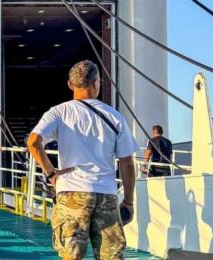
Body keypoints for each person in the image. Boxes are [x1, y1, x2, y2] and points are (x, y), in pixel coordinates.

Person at [27, 60, 138, 260]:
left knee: (72, 255)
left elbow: (33, 142)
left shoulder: (59, 112)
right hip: (105, 193)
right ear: (96, 83)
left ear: (70, 84)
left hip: (71, 192)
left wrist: (51, 173)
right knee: (111, 256)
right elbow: (127, 163)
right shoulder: (114, 117)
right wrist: (128, 201)